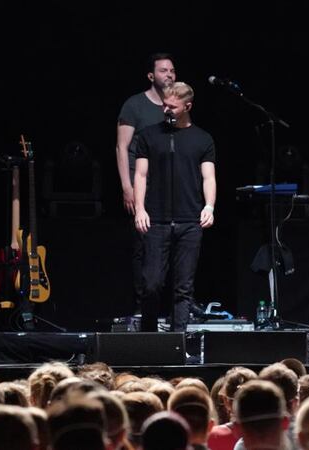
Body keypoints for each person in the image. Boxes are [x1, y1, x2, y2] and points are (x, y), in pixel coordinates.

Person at [134, 81, 216, 332]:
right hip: (156, 220)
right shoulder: (149, 135)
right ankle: (148, 337)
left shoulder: (202, 139)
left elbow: (208, 177)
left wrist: (209, 206)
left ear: (187, 106)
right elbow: (140, 175)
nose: (166, 110)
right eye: (164, 105)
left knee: (183, 289)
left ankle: (178, 341)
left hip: (189, 222)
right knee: (151, 285)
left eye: (172, 106)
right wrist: (140, 208)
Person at [116, 52, 176, 312]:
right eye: (164, 70)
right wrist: (127, 187)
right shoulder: (135, 106)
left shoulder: (175, 107)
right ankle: (143, 308)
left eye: (172, 70)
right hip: (140, 187)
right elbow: (121, 147)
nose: (170, 75)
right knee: (143, 247)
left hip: (168, 190)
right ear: (151, 75)